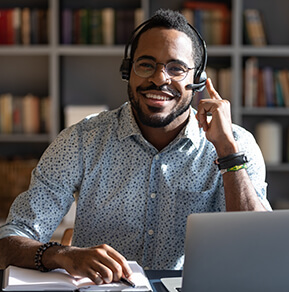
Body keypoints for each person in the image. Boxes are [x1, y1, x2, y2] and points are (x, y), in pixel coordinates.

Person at [0, 9, 271, 285]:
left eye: (176, 68)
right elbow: (10, 240)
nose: (159, 78)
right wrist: (63, 255)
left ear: (197, 79)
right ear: (128, 71)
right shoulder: (82, 140)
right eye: (146, 64)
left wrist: (228, 154)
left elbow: (262, 250)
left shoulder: (236, 144)